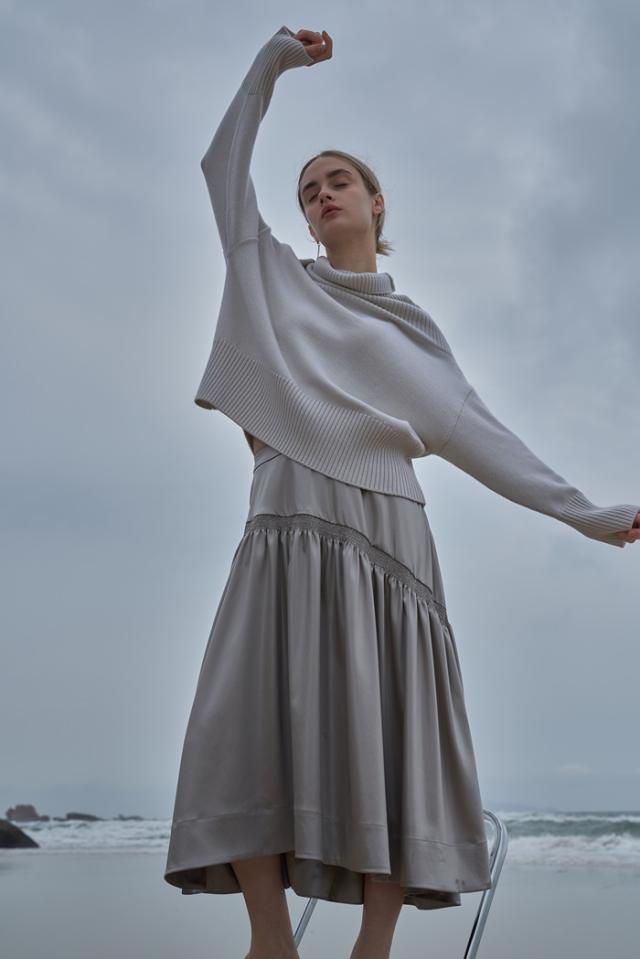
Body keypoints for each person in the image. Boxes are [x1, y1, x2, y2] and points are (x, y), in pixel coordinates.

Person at [164, 25, 640, 959]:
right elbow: (222, 163)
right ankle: (270, 939)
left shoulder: (414, 333)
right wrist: (272, 62)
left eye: (338, 180)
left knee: (397, 734)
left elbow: (484, 439)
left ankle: (373, 945)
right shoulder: (270, 276)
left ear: (376, 203)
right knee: (244, 717)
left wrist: (591, 515)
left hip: (390, 538)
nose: (321, 194)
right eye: (308, 190)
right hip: (287, 520)